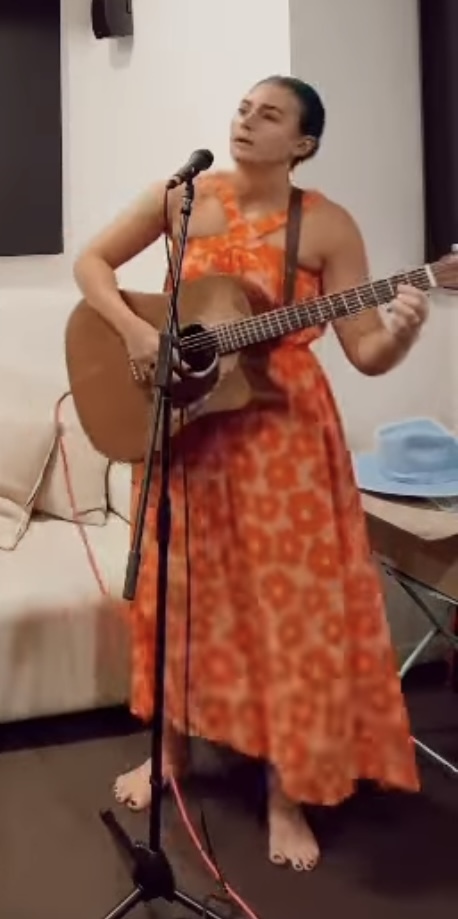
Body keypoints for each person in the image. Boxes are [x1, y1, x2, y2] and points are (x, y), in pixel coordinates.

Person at [73, 75, 428, 873]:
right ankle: (170, 752)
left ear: (302, 144)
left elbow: (366, 351)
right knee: (180, 592)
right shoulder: (183, 196)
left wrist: (403, 332)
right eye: (243, 108)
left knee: (286, 610)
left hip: (282, 438)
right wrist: (134, 330)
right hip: (189, 426)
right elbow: (92, 263)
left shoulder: (327, 225)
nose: (246, 122)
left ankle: (286, 791)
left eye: (269, 116)